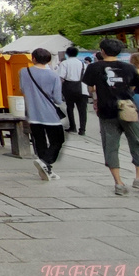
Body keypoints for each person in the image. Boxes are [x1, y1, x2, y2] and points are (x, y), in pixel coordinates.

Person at [81, 38, 139, 196]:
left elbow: (91, 88)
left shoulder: (94, 67)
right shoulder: (129, 67)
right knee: (137, 143)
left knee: (111, 146)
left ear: (103, 51)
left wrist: (98, 96)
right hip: (128, 108)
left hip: (106, 109)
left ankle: (119, 182)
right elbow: (134, 87)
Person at [20, 48, 65, 181]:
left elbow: (23, 88)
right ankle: (46, 162)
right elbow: (57, 98)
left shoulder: (24, 72)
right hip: (50, 114)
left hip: (32, 113)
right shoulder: (53, 75)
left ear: (33, 58)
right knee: (57, 140)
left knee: (39, 141)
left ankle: (46, 170)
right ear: (49, 60)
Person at [57, 46, 87, 135]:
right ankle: (82, 129)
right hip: (82, 87)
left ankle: (72, 127)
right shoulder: (83, 64)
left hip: (69, 87)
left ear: (67, 53)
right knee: (82, 110)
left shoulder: (64, 63)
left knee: (70, 108)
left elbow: (61, 77)